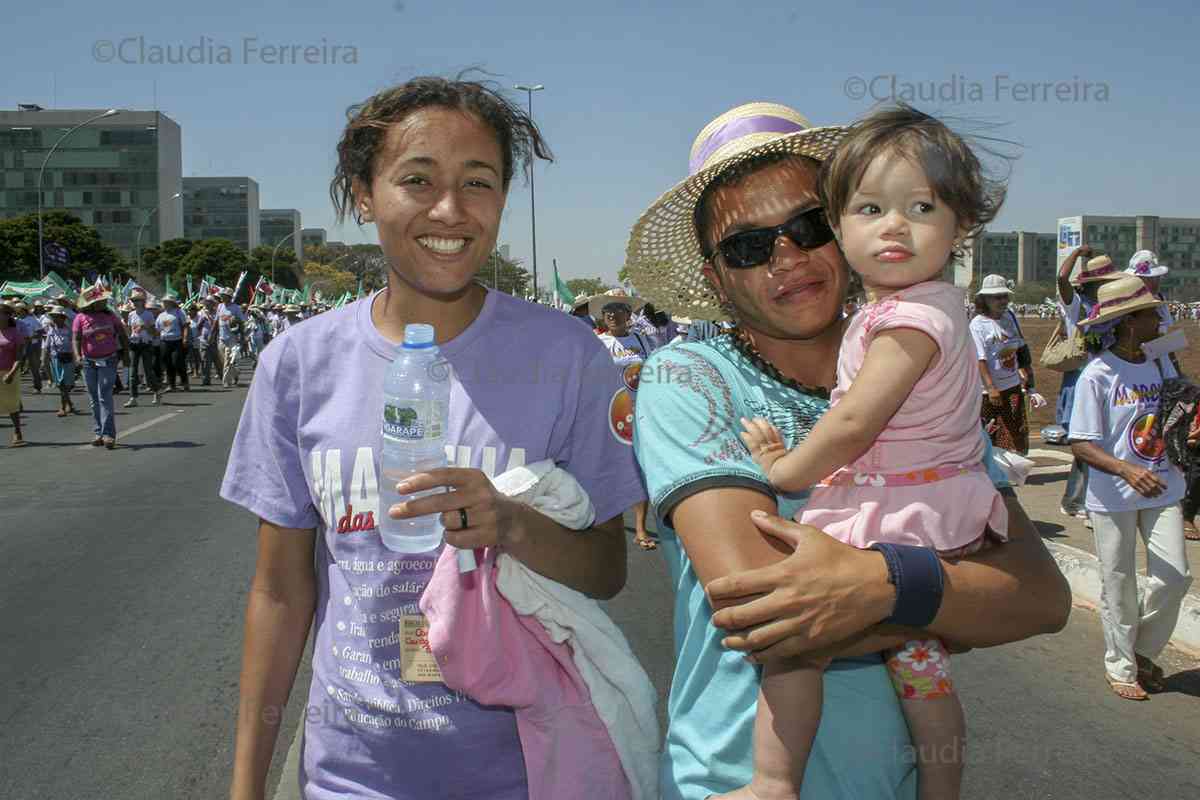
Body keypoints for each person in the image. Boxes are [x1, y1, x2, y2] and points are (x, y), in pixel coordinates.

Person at [624, 101, 1070, 800]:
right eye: (748, 245)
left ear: (844, 228)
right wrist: (946, 599)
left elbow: (1041, 598)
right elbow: (768, 612)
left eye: (807, 227)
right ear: (715, 278)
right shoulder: (690, 378)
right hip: (733, 780)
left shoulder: (917, 372)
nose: (787, 257)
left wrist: (878, 589)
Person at [221, 75, 644, 800]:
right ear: (364, 193)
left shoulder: (569, 355)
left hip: (533, 769)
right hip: (352, 776)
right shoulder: (297, 362)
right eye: (417, 179)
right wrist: (246, 784)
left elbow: (607, 570)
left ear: (503, 199)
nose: (449, 210)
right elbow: (281, 591)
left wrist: (510, 523)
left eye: (477, 182)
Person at [734, 106, 1009, 800]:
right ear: (843, 224)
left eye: (921, 206)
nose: (894, 225)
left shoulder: (911, 318)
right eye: (870, 207)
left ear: (960, 226)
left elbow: (855, 420)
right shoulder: (926, 306)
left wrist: (785, 468)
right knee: (922, 669)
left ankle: (772, 781)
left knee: (794, 641)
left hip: (895, 511)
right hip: (927, 512)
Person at [1068, 274, 1193, 700]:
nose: (1160, 320)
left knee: (1175, 576)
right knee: (1118, 580)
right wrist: (1125, 469)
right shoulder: (1098, 374)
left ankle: (1141, 651)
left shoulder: (1163, 361)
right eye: (1150, 314)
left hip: (1164, 485)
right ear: (1128, 322)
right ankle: (1120, 665)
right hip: (1113, 494)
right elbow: (1081, 443)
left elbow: (1178, 405)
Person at [1055, 247, 1123, 521]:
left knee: (1098, 442)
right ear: (1094, 284)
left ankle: (1080, 498)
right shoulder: (1078, 304)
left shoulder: (1109, 307)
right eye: (1107, 283)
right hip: (1081, 379)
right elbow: (1061, 278)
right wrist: (1077, 253)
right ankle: (1074, 501)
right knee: (1086, 444)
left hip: (1105, 380)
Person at [970, 275, 1030, 455]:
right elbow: (979, 359)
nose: (1002, 301)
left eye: (1004, 296)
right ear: (985, 300)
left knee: (1015, 428)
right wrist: (991, 387)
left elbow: (1018, 345)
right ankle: (992, 470)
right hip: (990, 390)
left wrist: (1023, 369)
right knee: (991, 429)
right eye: (997, 297)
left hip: (1012, 384)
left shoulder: (1009, 317)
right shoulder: (978, 325)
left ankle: (1012, 467)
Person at [73, 282, 129, 449]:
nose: (104, 302)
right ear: (92, 303)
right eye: (101, 300)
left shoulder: (111, 315)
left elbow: (122, 335)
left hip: (109, 359)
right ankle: (98, 432)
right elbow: (76, 339)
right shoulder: (80, 318)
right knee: (93, 398)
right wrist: (77, 356)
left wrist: (126, 355)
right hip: (88, 362)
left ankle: (108, 434)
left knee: (104, 395)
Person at [124, 288, 162, 407]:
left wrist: (145, 327)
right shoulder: (131, 315)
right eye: (134, 300)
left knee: (148, 371)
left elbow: (154, 332)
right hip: (134, 344)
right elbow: (130, 330)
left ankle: (156, 391)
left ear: (142, 302)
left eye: (138, 300)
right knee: (132, 372)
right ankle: (132, 397)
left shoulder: (148, 314)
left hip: (146, 344)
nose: (135, 303)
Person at [0, 299, 27, 446]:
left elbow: (19, 357)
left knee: (12, 404)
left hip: (9, 373)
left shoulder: (15, 333)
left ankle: (17, 431)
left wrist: (11, 373)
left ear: (7, 316)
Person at [44, 305, 78, 417]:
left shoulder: (69, 330)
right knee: (60, 384)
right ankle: (64, 406)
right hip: (56, 359)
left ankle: (67, 404)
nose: (55, 319)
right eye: (53, 317)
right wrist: (44, 359)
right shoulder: (51, 331)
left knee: (66, 384)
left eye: (57, 316)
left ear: (63, 318)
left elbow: (74, 345)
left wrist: (77, 358)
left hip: (68, 358)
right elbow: (47, 346)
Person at [157, 293, 191, 392]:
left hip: (176, 340)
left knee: (177, 361)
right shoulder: (161, 315)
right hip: (164, 341)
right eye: (164, 302)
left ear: (172, 303)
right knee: (167, 363)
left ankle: (185, 382)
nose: (165, 303)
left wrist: (185, 338)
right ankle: (171, 385)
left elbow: (185, 325)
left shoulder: (179, 312)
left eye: (167, 302)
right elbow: (158, 329)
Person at [216, 289, 246, 388]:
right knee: (224, 360)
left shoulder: (236, 308)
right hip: (221, 337)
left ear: (229, 297)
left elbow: (242, 322)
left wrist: (242, 336)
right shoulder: (220, 306)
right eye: (222, 295)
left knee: (228, 361)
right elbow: (216, 321)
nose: (222, 297)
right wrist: (212, 335)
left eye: (224, 295)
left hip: (232, 338)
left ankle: (226, 381)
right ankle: (235, 374)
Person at [14, 301, 44, 394]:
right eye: (17, 310)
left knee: (33, 366)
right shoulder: (15, 320)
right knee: (17, 366)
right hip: (18, 345)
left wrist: (31, 337)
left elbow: (40, 332)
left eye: (20, 310)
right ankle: (14, 387)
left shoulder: (32, 320)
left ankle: (37, 386)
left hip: (32, 345)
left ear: (25, 310)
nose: (18, 312)